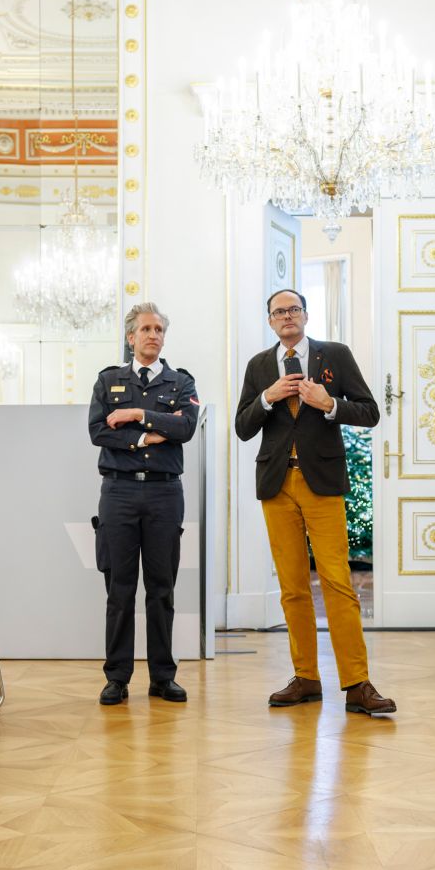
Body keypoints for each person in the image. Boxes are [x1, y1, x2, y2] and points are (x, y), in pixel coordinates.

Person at [234, 289, 392, 715]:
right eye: (278, 312)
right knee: (292, 588)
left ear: (305, 315)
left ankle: (358, 684)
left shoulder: (334, 355)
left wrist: (330, 404)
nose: (287, 316)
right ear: (270, 321)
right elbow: (242, 427)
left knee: (338, 582)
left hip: (322, 481)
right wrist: (267, 397)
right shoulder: (259, 366)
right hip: (276, 484)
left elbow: (370, 412)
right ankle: (306, 677)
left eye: (293, 309)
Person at [87, 302, 200, 706]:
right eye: (146, 329)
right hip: (118, 492)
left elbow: (187, 427)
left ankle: (162, 677)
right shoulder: (109, 380)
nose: (153, 335)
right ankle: (116, 678)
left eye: (159, 329)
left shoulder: (180, 382)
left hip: (164, 494)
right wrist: (147, 437)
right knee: (119, 589)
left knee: (161, 589)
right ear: (131, 337)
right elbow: (98, 431)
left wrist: (136, 414)